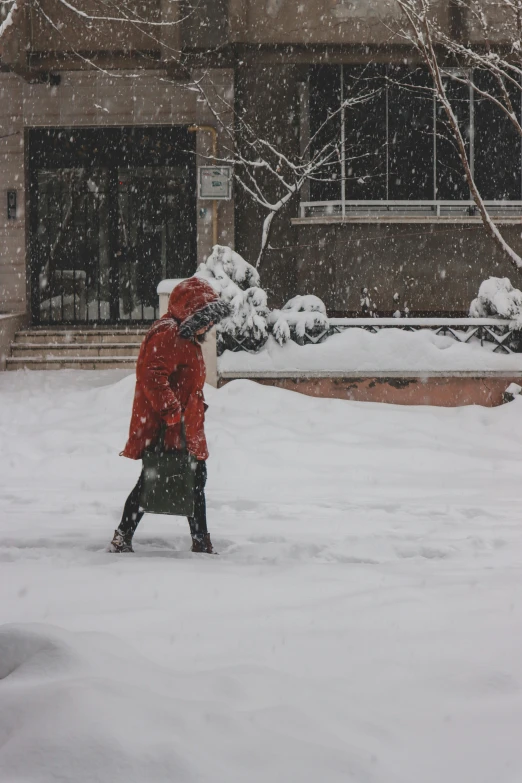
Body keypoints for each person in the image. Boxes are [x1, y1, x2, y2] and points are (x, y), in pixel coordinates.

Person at [108, 277, 231, 554]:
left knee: (187, 479)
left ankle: (195, 539)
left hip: (186, 424)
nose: (209, 325)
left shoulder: (182, 335)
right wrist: (172, 413)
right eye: (205, 319)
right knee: (166, 481)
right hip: (173, 428)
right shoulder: (169, 334)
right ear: (192, 314)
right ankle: (196, 540)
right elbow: (151, 375)